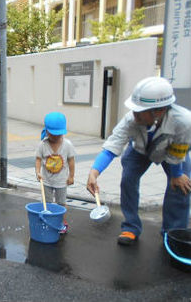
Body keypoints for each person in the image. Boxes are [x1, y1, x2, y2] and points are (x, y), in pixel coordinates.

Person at [87, 77, 191, 245]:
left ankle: (172, 233)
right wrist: (94, 171)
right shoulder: (131, 119)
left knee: (181, 186)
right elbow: (113, 144)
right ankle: (130, 227)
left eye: (139, 111)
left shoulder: (184, 121)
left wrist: (177, 174)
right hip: (139, 150)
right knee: (128, 180)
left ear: (159, 110)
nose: (134, 114)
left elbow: (177, 153)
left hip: (172, 152)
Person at [35, 112, 75, 234]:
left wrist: (71, 176)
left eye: (59, 135)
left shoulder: (67, 145)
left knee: (61, 203)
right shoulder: (43, 145)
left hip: (61, 181)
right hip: (46, 180)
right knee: (46, 203)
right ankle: (48, 220)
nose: (56, 137)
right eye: (53, 134)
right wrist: (37, 172)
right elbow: (38, 159)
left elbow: (71, 161)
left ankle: (62, 222)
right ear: (47, 131)